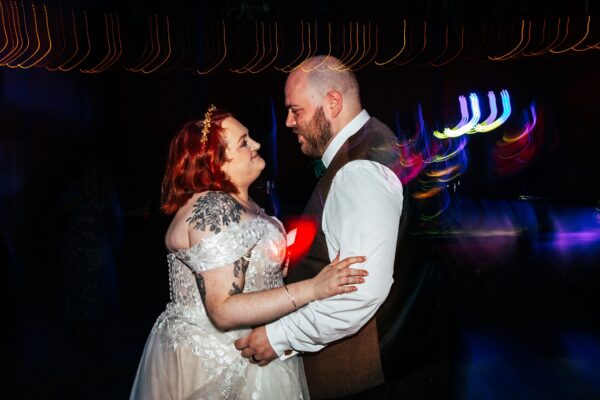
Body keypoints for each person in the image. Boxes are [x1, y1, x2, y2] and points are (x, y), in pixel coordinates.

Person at [235, 56, 452, 399]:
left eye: (296, 110)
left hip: (379, 376)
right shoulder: (375, 143)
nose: (289, 122)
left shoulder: (358, 171)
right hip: (410, 360)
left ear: (332, 103)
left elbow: (360, 293)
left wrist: (277, 337)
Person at [129, 105, 369, 399]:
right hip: (220, 361)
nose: (256, 144)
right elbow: (223, 309)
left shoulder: (240, 203)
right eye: (244, 142)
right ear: (215, 162)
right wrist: (314, 289)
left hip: (253, 346)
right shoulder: (214, 208)